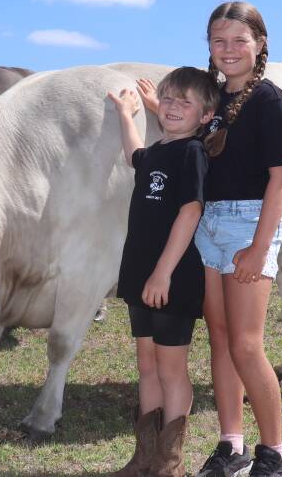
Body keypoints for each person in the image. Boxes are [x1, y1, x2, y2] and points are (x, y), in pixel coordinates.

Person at [139, 1, 282, 477]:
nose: (228, 50)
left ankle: (276, 455)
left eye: (239, 41)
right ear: (208, 45)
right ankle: (232, 445)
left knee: (248, 345)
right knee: (222, 340)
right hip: (209, 227)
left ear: (260, 45)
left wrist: (258, 246)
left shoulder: (269, 100)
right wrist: (156, 107)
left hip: (248, 226)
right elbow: (197, 128)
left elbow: (281, 178)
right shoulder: (218, 99)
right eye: (218, 40)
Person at [107, 67, 218, 477]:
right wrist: (125, 113)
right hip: (140, 274)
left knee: (171, 370)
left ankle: (169, 465)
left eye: (185, 103)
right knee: (146, 365)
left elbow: (191, 212)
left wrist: (163, 273)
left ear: (205, 116)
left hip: (172, 276)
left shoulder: (193, 154)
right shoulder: (156, 152)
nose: (173, 108)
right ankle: (144, 459)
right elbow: (133, 153)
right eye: (168, 100)